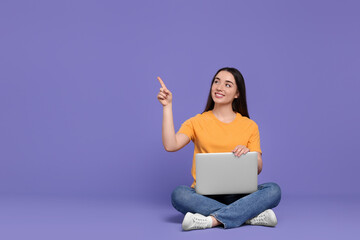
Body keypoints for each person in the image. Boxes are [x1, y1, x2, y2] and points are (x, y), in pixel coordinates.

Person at [156, 67, 281, 231]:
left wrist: (248, 155)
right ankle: (248, 216)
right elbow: (170, 145)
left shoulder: (249, 126)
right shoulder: (196, 122)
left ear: (237, 93)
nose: (220, 87)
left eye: (228, 85)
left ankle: (211, 221)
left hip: (240, 196)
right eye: (216, 82)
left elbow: (258, 167)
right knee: (179, 195)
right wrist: (167, 107)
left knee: (273, 190)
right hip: (204, 196)